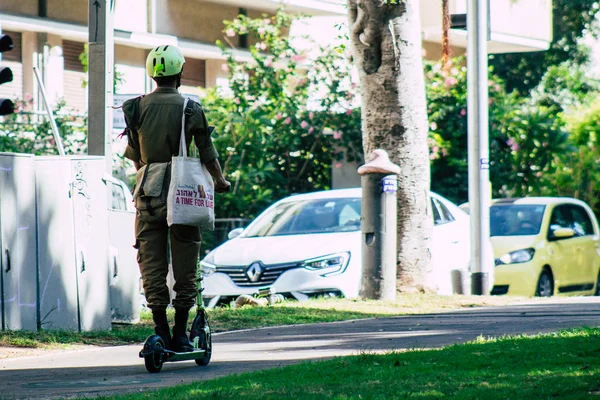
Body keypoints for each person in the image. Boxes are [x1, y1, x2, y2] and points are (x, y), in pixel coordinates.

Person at [122, 45, 230, 352]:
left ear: (152, 75)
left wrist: (148, 176)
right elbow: (207, 153)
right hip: (183, 197)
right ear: (179, 73)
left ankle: (160, 330)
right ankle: (181, 334)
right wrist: (220, 181)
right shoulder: (190, 108)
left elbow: (135, 158)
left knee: (152, 263)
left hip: (148, 196)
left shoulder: (136, 108)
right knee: (185, 261)